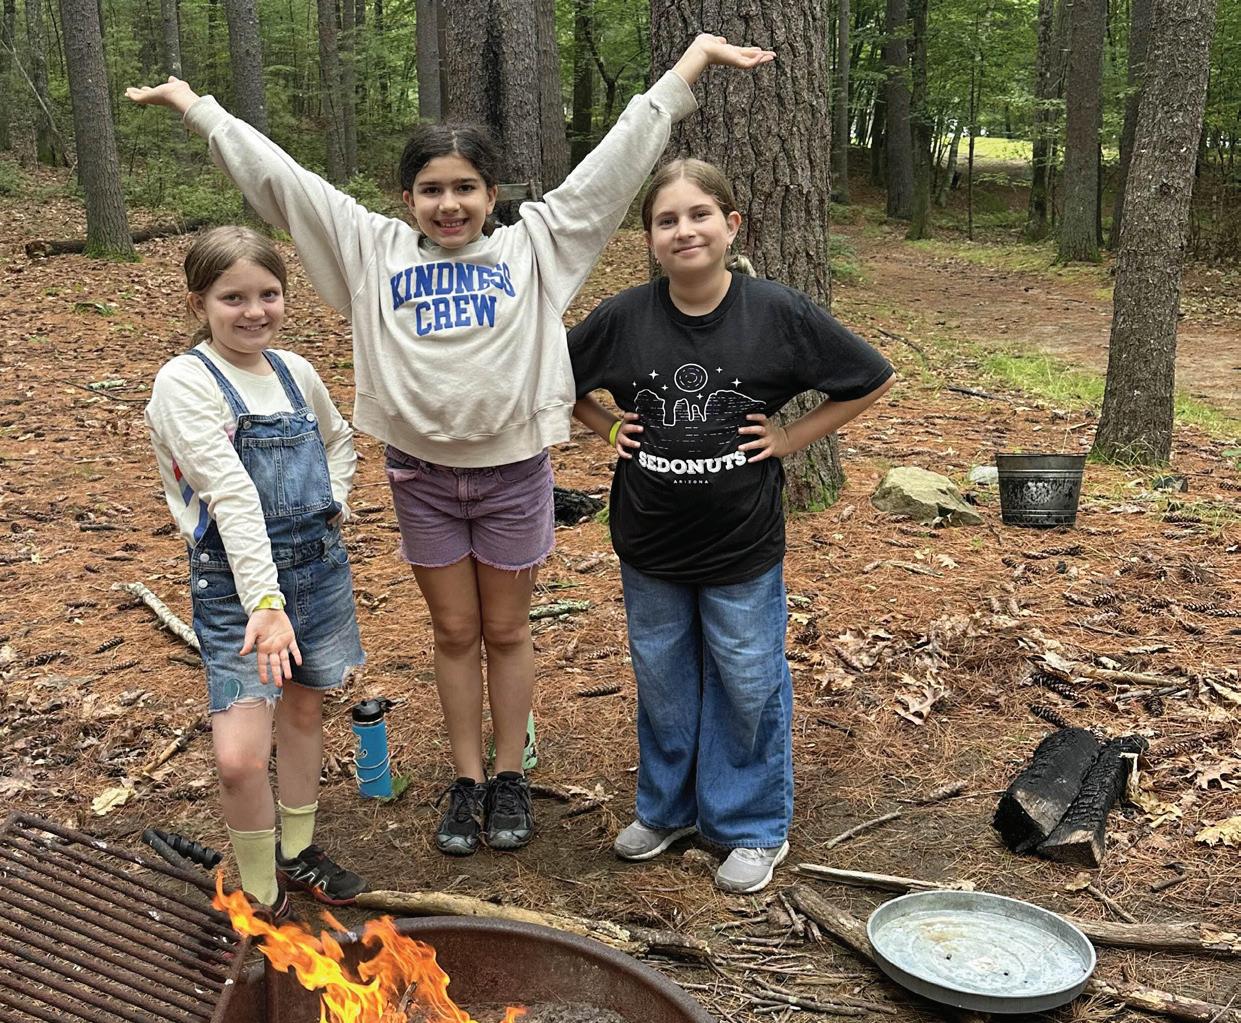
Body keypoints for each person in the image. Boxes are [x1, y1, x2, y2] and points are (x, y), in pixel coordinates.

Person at [126, 35, 774, 859]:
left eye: (465, 187)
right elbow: (281, 182)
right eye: (431, 189)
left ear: (491, 193)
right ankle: (465, 779)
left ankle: (509, 775)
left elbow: (614, 166)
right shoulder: (371, 250)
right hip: (422, 478)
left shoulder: (536, 245)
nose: (449, 204)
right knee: (454, 633)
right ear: (407, 197)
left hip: (513, 475)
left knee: (506, 631)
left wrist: (688, 69)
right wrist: (197, 106)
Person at [568, 160, 895, 894]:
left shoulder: (775, 313)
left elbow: (869, 377)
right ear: (649, 238)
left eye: (699, 215)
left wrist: (789, 437)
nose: (684, 230)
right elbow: (551, 378)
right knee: (663, 679)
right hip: (649, 540)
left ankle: (750, 824)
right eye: (666, 220)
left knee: (747, 681)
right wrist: (604, 426)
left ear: (731, 225)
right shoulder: (622, 318)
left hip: (741, 543)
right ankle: (667, 809)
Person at [145, 226, 367, 915]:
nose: (254, 311)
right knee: (240, 757)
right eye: (232, 298)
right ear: (199, 303)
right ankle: (261, 897)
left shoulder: (295, 372)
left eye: (268, 294)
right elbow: (232, 496)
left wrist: (334, 503)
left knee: (303, 707)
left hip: (317, 571)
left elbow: (339, 439)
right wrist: (265, 604)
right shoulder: (185, 383)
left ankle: (297, 853)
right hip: (238, 589)